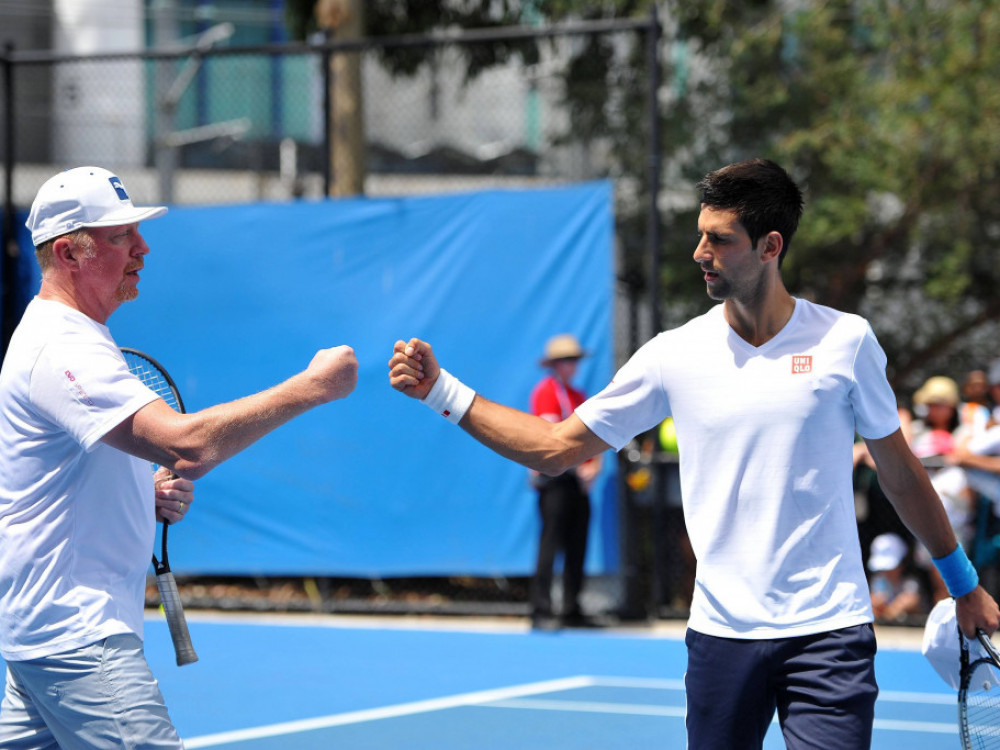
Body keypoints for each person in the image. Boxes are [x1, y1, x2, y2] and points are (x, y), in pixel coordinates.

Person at [388, 158, 1000, 750]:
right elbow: (554, 449)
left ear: (770, 246)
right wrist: (441, 391)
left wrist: (962, 585)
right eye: (699, 235)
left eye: (719, 239)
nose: (699, 254)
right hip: (720, 637)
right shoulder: (671, 354)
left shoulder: (846, 341)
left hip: (830, 632)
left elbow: (900, 472)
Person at [0, 166, 359, 750]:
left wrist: (146, 493)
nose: (142, 248)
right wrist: (313, 387)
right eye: (121, 236)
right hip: (78, 640)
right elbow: (185, 444)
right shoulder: (63, 348)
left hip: (46, 635)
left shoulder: (66, 337)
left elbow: (54, 478)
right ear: (69, 252)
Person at [527, 334, 601, 629]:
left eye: (575, 360)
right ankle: (541, 610)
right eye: (566, 360)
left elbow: (594, 438)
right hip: (555, 481)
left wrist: (593, 466)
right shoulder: (545, 392)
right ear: (554, 365)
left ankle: (572, 608)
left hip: (577, 483)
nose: (572, 365)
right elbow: (551, 439)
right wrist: (575, 466)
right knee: (550, 543)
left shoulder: (579, 396)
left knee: (577, 543)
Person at [867, 533, 925, 624]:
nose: (886, 572)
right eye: (882, 568)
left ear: (902, 563)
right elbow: (874, 602)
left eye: (890, 568)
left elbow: (912, 601)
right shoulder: (877, 580)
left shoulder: (910, 583)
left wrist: (897, 606)